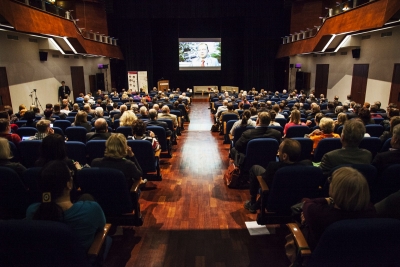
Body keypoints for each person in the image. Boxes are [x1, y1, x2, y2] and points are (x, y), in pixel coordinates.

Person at [26, 160, 106, 252]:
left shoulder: (32, 211)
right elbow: (101, 228)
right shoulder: (92, 209)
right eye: (71, 173)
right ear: (69, 184)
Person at [302, 167, 377, 249]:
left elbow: (306, 203)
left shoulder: (319, 213)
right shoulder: (371, 211)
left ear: (336, 190)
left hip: (324, 259)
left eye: (331, 181)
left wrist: (329, 199)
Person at [244, 139, 312, 213]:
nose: (277, 152)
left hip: (274, 204)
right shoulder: (308, 165)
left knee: (255, 168)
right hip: (299, 204)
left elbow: (264, 180)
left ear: (284, 156)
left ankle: (252, 203)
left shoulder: (274, 167)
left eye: (279, 150)